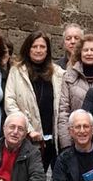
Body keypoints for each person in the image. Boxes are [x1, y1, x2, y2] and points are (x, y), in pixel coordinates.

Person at [6, 31, 60, 169]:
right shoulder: (16, 71)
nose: (38, 50)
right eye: (34, 46)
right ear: (28, 48)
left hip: (53, 138)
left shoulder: (58, 73)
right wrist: (28, 130)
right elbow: (10, 102)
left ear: (47, 50)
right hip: (29, 138)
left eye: (42, 47)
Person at [56, 34, 93, 148]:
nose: (89, 53)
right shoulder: (68, 77)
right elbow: (63, 112)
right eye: (85, 50)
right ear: (80, 53)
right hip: (75, 139)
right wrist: (66, 144)